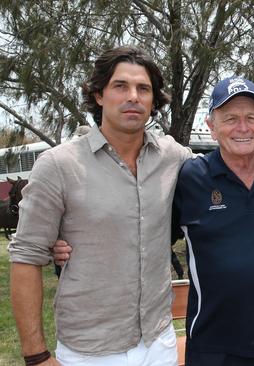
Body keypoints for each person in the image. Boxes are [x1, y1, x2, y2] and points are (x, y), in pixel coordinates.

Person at [9, 46, 191, 366]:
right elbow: (25, 257)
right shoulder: (58, 165)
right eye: (120, 86)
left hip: (158, 342)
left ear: (153, 100)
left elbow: (225, 171)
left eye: (143, 88)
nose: (133, 96)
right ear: (98, 95)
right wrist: (36, 356)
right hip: (89, 351)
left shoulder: (173, 157)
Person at [171, 76, 254, 365]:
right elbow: (148, 235)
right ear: (211, 126)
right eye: (230, 118)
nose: (242, 128)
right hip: (213, 346)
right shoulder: (191, 177)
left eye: (250, 118)